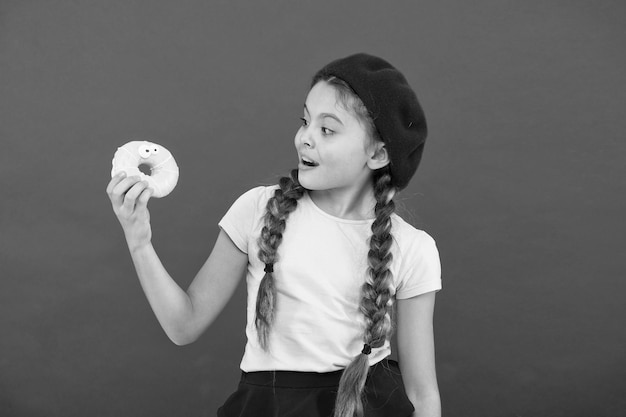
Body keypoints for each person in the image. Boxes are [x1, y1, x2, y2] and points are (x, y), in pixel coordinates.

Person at [106, 53, 442, 417]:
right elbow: (183, 325)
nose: (304, 139)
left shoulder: (413, 248)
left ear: (378, 153)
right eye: (305, 121)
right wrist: (139, 240)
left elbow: (422, 395)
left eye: (327, 129)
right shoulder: (257, 210)